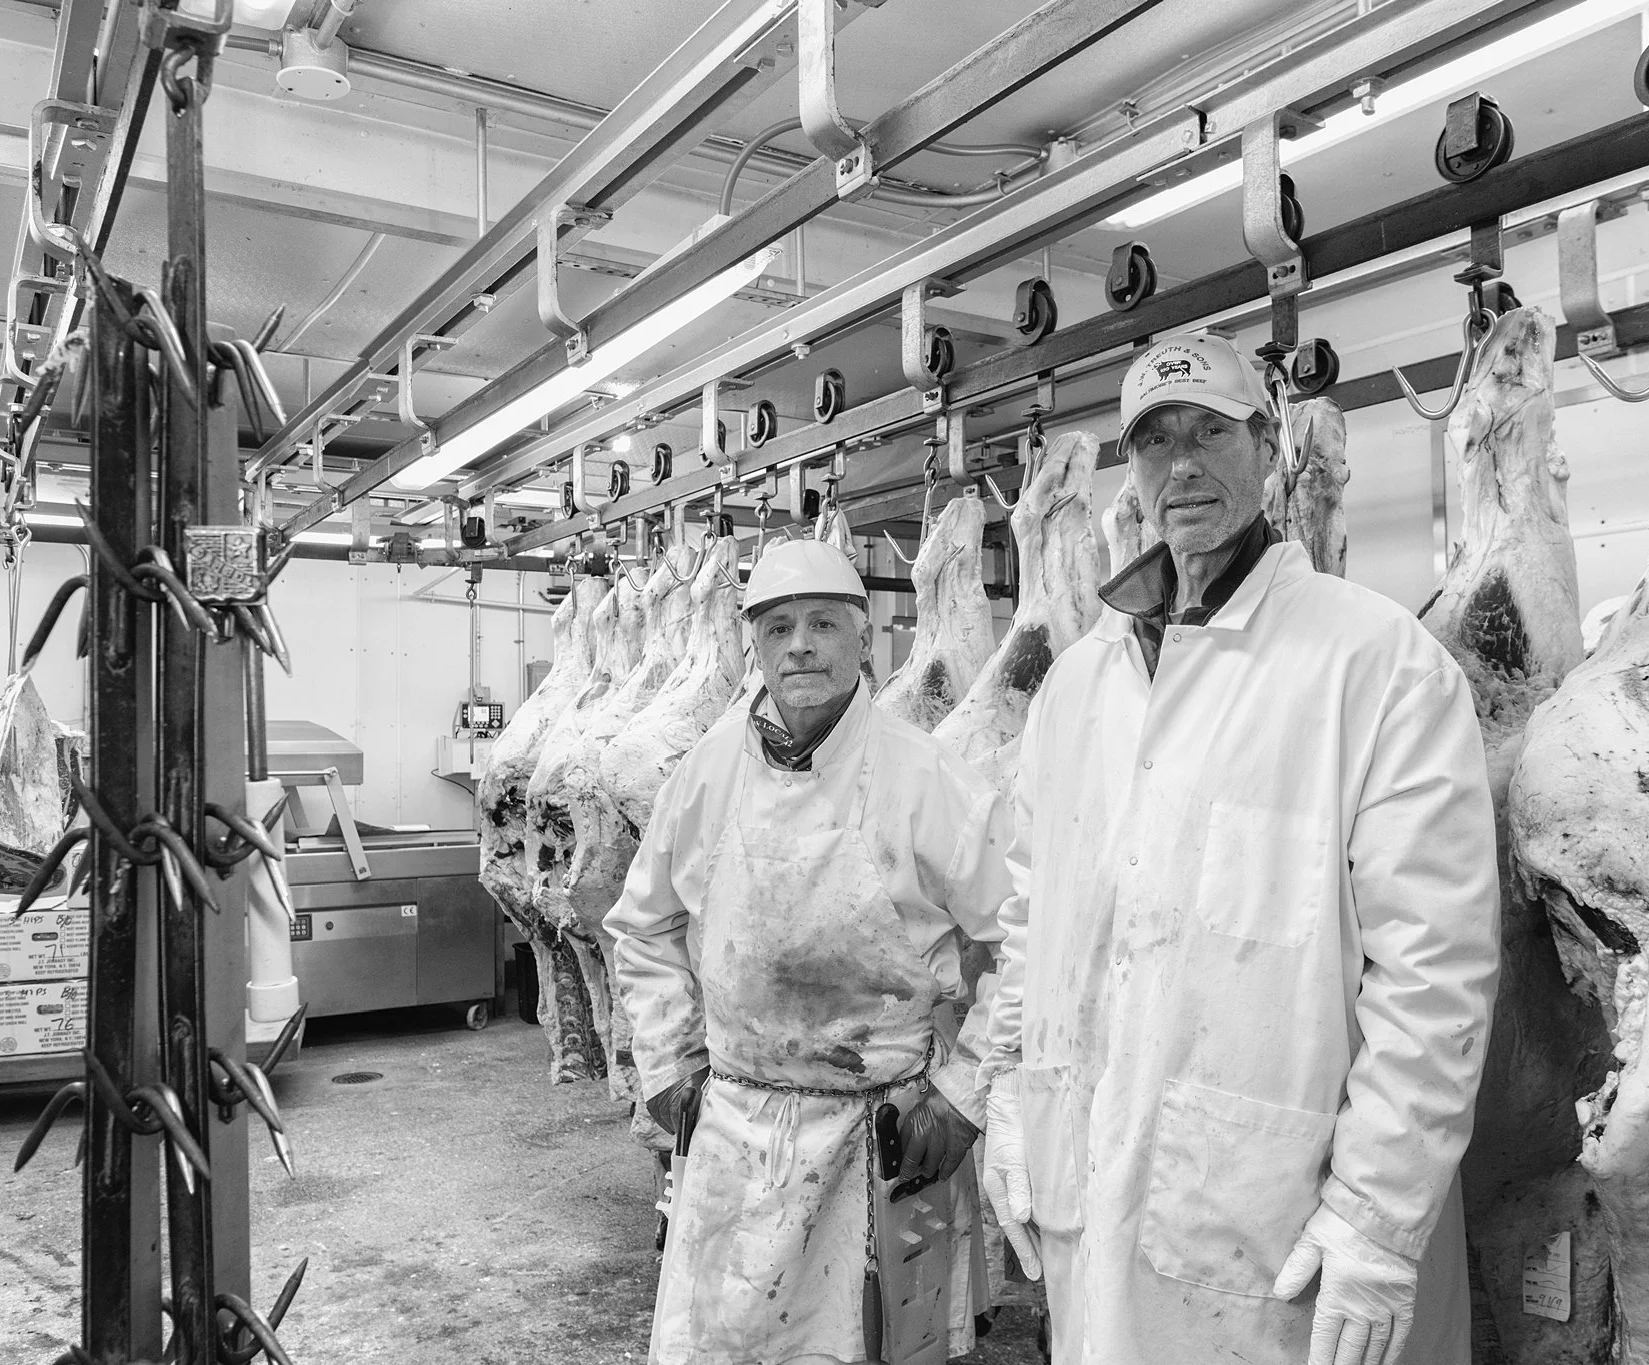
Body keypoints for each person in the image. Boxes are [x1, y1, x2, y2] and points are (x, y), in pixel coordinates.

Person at [979, 334, 1500, 1365]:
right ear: (1128, 470)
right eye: (1155, 442)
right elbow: (1031, 916)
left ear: (1265, 448)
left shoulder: (1374, 661)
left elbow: (1433, 969)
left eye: (1209, 434)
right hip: (1096, 1198)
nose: (1181, 467)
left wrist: (1377, 1214)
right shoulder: (1081, 681)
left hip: (1283, 1234)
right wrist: (1007, 1093)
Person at [606, 537, 1015, 1365]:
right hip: (733, 1128)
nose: (801, 643)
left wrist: (966, 1090)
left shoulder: (929, 778)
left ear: (865, 640)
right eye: (780, 625)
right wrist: (666, 1063)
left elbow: (1021, 940)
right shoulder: (706, 772)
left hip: (887, 1135)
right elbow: (641, 925)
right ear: (751, 643)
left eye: (825, 622)